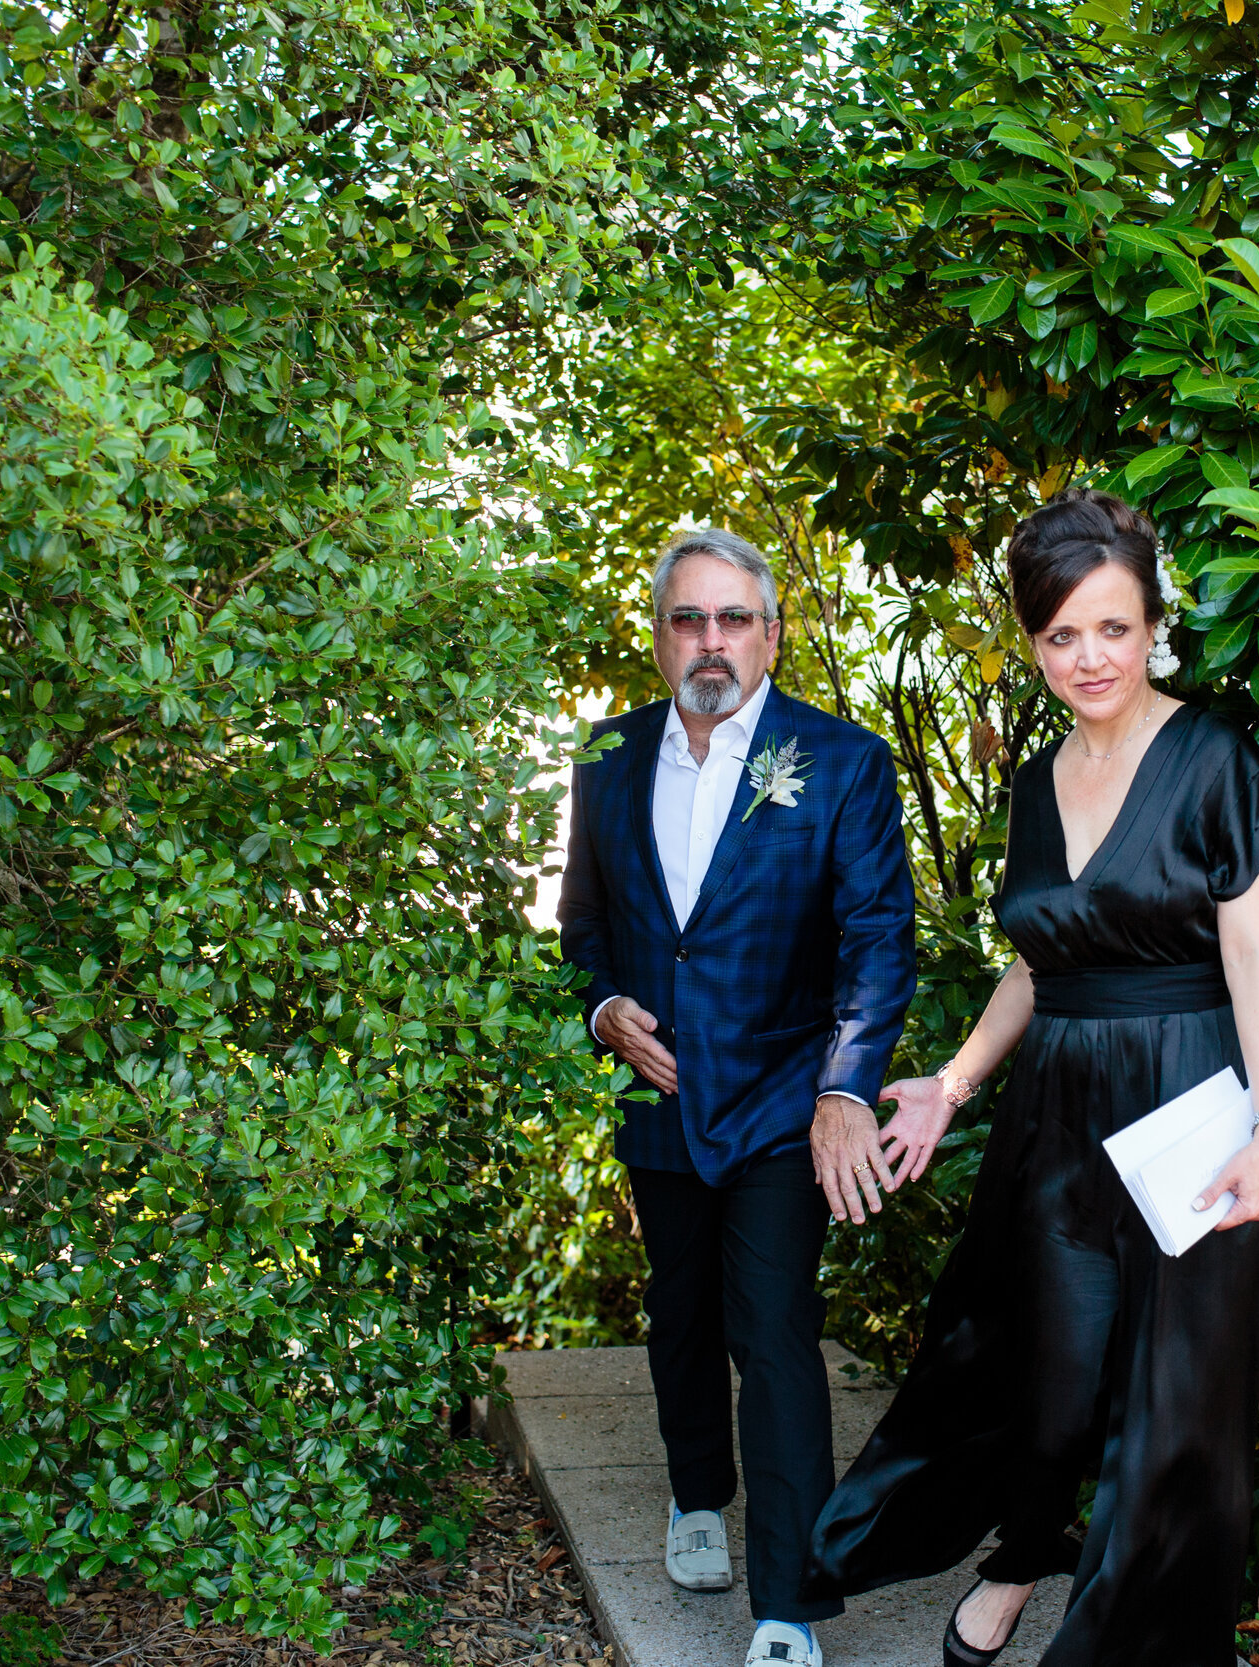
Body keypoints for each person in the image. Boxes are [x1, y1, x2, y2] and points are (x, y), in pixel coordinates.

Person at [802, 489, 1259, 1667]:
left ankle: (1154, 1638)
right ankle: (1024, 1554)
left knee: (1176, 1407)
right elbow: (1038, 960)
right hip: (1057, 1118)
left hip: (1193, 1100)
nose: (1088, 657)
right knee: (1051, 1375)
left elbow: (1253, 959)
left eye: (1112, 628)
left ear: (1151, 625)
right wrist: (955, 1080)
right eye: (1060, 635)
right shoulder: (1034, 783)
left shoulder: (1214, 757)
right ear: (1032, 642)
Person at [559, 527, 918, 1667]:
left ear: (770, 631)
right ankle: (695, 1495)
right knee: (679, 1312)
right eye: (686, 618)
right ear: (659, 635)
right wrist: (602, 1008)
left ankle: (788, 1605)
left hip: (781, 1097)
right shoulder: (605, 759)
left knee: (773, 1329)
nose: (709, 641)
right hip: (658, 1094)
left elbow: (876, 938)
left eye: (732, 618)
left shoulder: (845, 760)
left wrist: (845, 1087)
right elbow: (582, 932)